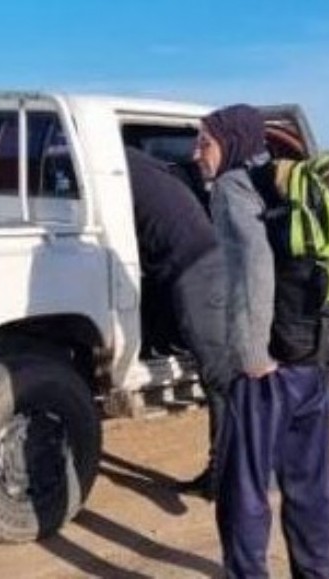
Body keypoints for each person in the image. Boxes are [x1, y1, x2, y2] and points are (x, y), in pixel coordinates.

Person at [193, 105, 329, 578]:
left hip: (266, 368)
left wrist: (252, 353)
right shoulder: (281, 179)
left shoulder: (234, 188)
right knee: (310, 485)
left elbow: (254, 267)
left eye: (205, 142)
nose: (197, 154)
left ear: (231, 142)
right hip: (311, 355)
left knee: (245, 491)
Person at [124, 146, 229, 498]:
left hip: (196, 267)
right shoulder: (143, 164)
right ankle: (228, 470)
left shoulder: (113, 166)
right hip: (200, 261)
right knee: (220, 377)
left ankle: (228, 475)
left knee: (220, 378)